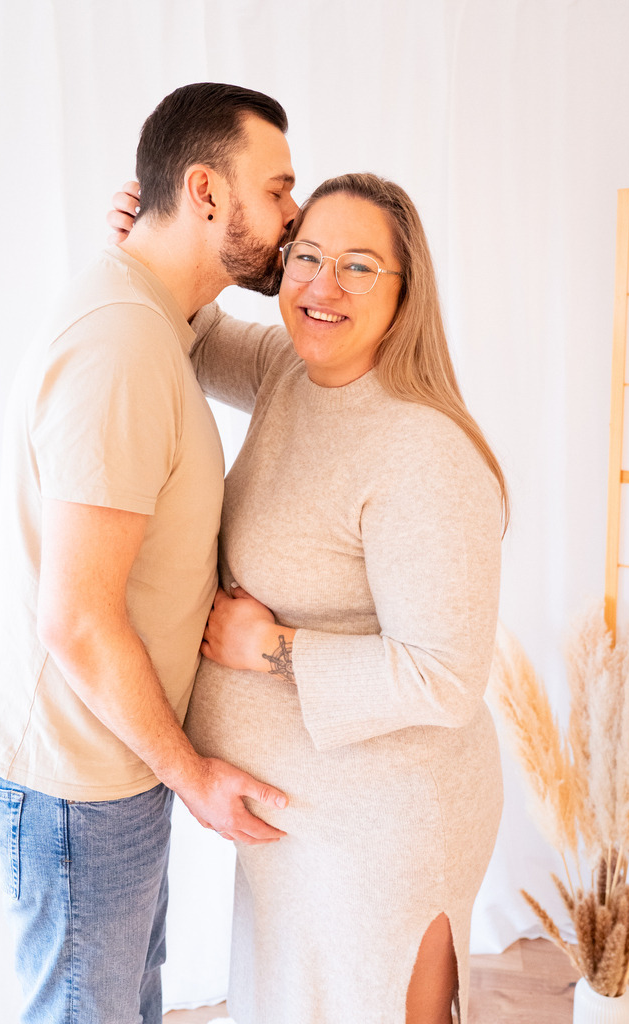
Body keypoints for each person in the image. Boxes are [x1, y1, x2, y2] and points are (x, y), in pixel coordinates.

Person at [114, 171, 507, 1024]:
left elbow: (447, 676)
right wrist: (150, 238)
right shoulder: (295, 375)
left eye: (360, 267)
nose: (323, 287)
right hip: (302, 820)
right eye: (308, 258)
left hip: (385, 827)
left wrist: (273, 648)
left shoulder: (422, 453)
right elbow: (199, 328)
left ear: (406, 294)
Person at [0, 82, 299, 1024]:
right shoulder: (121, 344)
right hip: (75, 784)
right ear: (204, 191)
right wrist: (194, 778)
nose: (291, 217)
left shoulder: (149, 319)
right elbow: (74, 617)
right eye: (277, 189)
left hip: (105, 773)